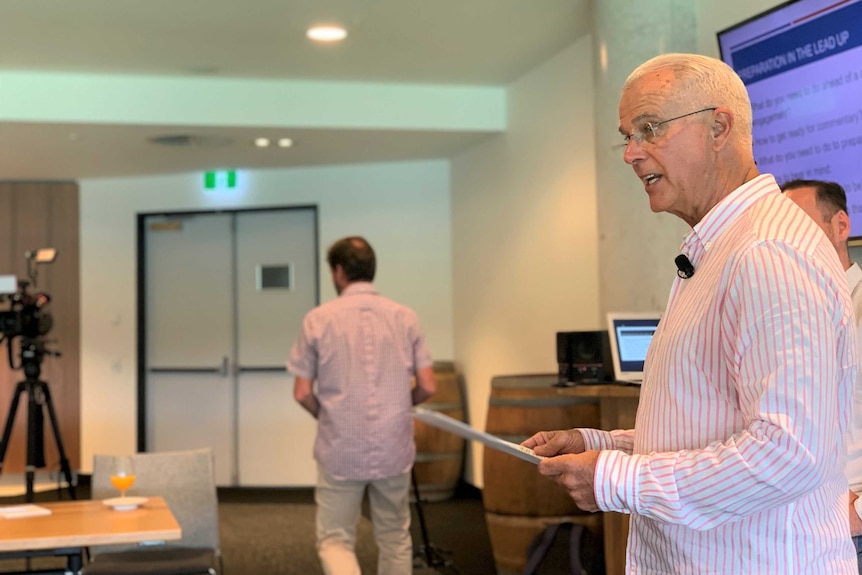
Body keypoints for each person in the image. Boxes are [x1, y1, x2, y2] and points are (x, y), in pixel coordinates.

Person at [523, 53, 858, 573]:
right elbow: (711, 424)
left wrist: (614, 479)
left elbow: (787, 453)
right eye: (627, 135)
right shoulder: (724, 245)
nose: (631, 153)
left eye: (649, 128)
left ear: (718, 127)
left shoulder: (767, 250)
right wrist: (599, 444)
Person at [287, 236, 437, 575]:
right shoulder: (406, 317)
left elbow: (301, 392)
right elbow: (428, 385)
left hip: (340, 448)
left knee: (335, 540)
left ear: (338, 272)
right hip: (393, 447)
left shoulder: (318, 319)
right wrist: (400, 404)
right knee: (396, 536)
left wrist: (326, 415)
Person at [782, 179, 862, 573]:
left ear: (841, 225)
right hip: (789, 529)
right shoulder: (785, 315)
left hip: (850, 529)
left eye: (800, 225)